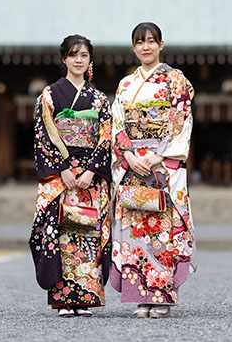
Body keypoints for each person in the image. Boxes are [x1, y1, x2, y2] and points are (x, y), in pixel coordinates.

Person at [110, 22, 196, 319]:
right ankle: (140, 295)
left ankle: (161, 295)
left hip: (161, 166)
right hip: (133, 164)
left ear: (161, 44)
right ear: (133, 47)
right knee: (135, 229)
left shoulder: (175, 80)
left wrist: (158, 157)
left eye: (151, 41)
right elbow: (117, 124)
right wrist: (129, 155)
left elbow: (181, 120)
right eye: (139, 42)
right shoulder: (125, 85)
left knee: (162, 228)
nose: (145, 47)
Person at [29, 34, 112, 317]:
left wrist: (91, 171)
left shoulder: (100, 100)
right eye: (73, 55)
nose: (79, 60)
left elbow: (105, 139)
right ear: (64, 59)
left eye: (84, 55)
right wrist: (62, 169)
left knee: (88, 234)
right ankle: (64, 299)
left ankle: (86, 297)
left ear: (90, 60)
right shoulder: (49, 95)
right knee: (62, 233)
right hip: (61, 177)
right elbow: (43, 137)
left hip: (89, 177)